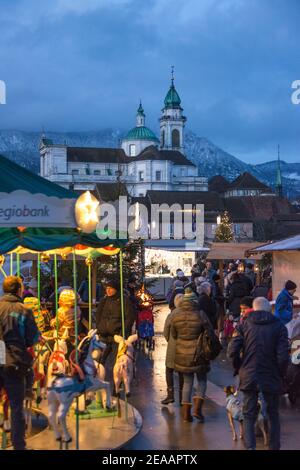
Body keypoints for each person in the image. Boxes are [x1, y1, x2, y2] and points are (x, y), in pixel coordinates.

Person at [227, 297, 289, 450]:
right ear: (269, 309)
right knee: (273, 413)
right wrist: (280, 373)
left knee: (249, 413)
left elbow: (232, 351)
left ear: (253, 309)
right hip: (271, 374)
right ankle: (274, 446)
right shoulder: (279, 326)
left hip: (249, 374)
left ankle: (250, 447)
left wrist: (239, 368)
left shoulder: (243, 325)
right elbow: (283, 356)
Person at [0, 276, 40, 450]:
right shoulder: (24, 310)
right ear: (19, 289)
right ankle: (18, 446)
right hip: (14, 362)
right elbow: (32, 338)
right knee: (17, 407)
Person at [171, 291, 212, 422]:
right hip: (199, 353)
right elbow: (209, 331)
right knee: (202, 380)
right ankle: (197, 410)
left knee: (187, 382)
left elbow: (173, 334)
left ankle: (185, 414)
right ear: (194, 301)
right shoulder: (200, 314)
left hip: (182, 354)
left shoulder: (176, 315)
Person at [95, 280, 135, 366]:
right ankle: (99, 377)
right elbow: (98, 315)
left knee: (117, 362)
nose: (108, 290)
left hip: (117, 336)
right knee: (99, 360)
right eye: (107, 288)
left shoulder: (124, 301)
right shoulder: (104, 300)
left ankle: (117, 378)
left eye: (111, 288)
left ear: (116, 289)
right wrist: (99, 327)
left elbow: (129, 317)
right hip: (104, 335)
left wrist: (123, 331)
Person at [161, 294, 184, 405]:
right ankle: (182, 397)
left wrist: (170, 341)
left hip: (173, 346)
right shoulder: (188, 313)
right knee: (182, 372)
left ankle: (170, 395)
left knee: (169, 370)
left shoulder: (172, 315)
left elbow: (166, 331)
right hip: (184, 346)